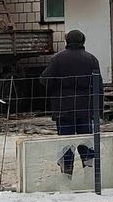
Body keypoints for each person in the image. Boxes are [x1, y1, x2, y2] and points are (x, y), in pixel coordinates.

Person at [40, 29, 100, 175]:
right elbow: (98, 85)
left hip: (63, 109)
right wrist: (98, 110)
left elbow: (45, 80)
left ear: (67, 41)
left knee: (66, 143)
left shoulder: (58, 59)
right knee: (86, 141)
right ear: (83, 41)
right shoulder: (91, 59)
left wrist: (54, 91)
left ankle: (66, 173)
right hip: (85, 109)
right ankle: (90, 174)